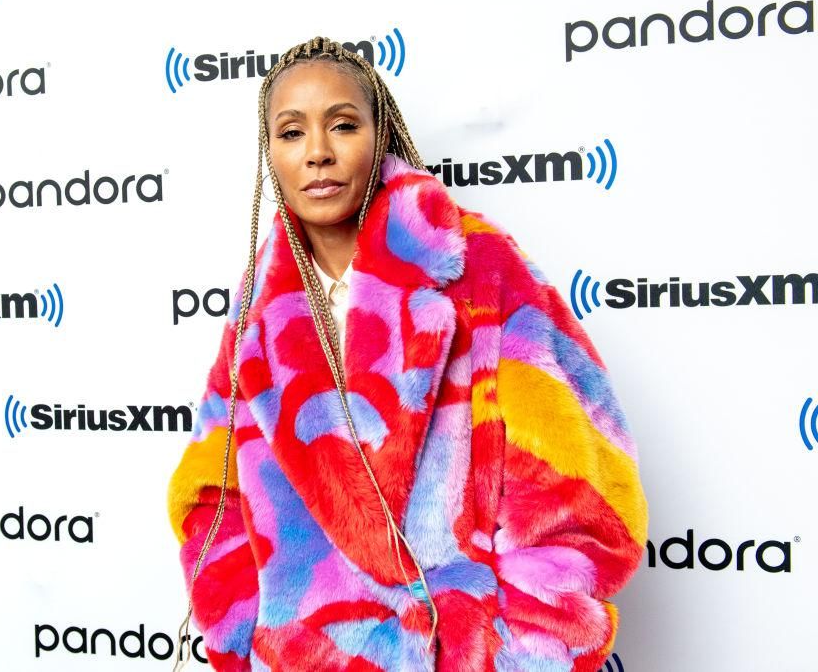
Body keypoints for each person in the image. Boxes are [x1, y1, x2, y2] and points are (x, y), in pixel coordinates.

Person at [166, 35, 648, 672]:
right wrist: (243, 638)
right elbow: (213, 490)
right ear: (271, 152)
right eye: (291, 132)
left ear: (380, 134)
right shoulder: (262, 310)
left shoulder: (479, 269)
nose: (317, 152)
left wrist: (525, 655)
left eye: (343, 125)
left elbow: (575, 484)